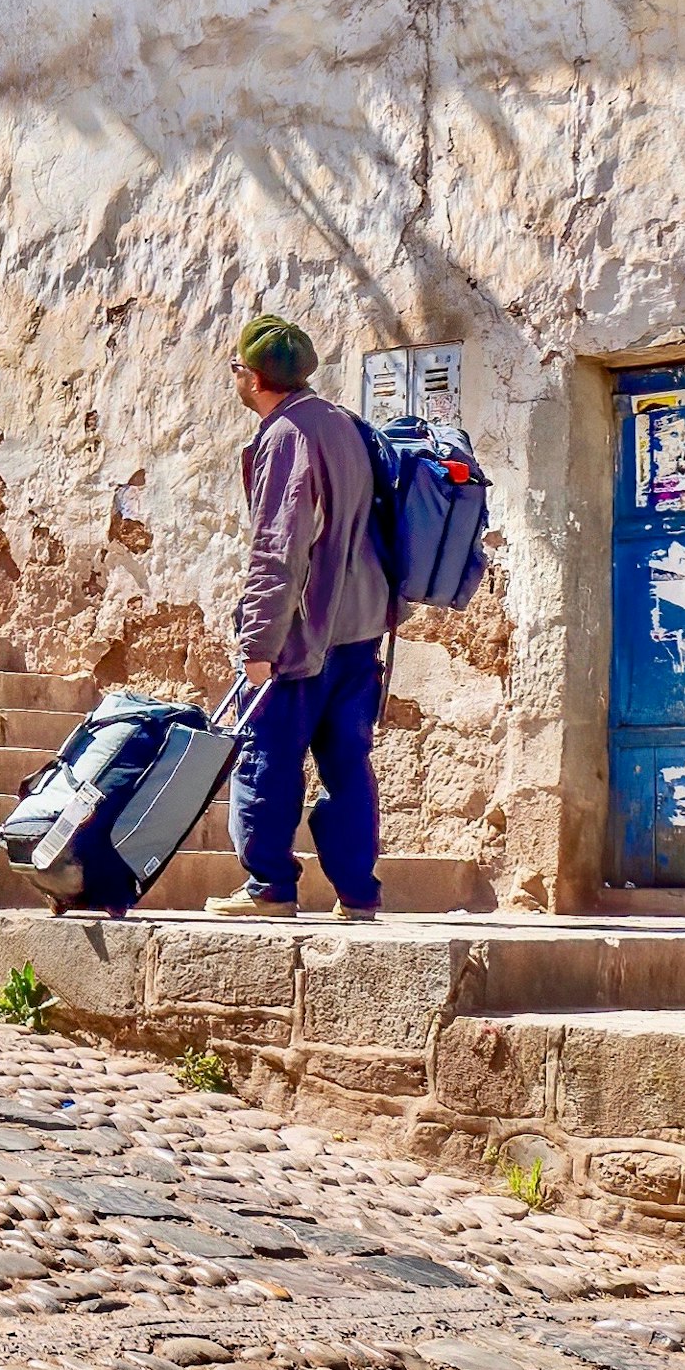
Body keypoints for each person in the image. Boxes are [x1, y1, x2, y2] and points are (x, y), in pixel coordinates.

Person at [208, 313, 393, 921]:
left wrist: (258, 643)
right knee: (346, 763)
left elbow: (278, 548)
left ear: (254, 376)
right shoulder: (346, 425)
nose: (235, 378)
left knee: (266, 753)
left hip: (305, 633)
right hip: (362, 631)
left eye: (236, 368)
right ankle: (358, 893)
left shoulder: (286, 435)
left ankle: (268, 887)